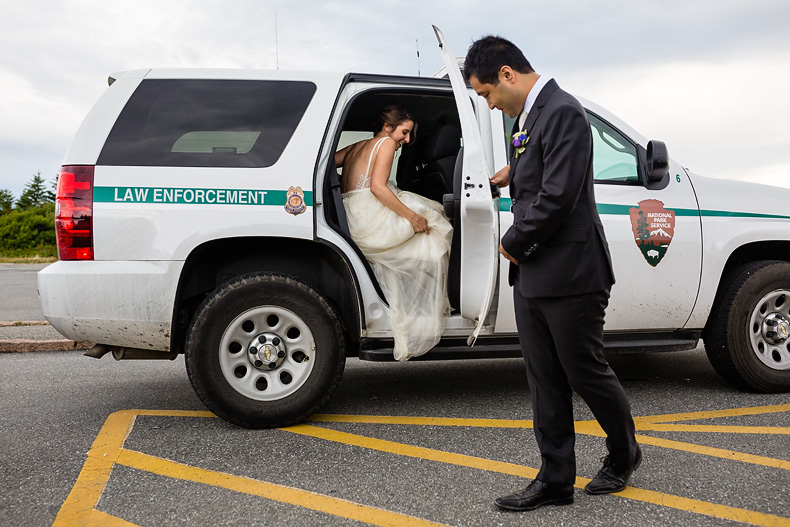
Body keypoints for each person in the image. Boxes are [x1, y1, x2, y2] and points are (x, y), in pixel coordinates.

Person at [463, 36, 641, 511]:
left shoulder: (563, 110)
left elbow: (560, 196)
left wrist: (511, 243)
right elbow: (541, 168)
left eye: (487, 94)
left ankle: (624, 453)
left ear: (507, 74)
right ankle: (556, 479)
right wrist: (510, 172)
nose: (490, 104)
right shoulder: (530, 117)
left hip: (572, 271)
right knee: (544, 378)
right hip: (536, 272)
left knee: (584, 371)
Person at [335, 105, 453, 362]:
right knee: (436, 225)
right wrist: (411, 218)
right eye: (404, 132)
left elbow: (328, 161)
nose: (407, 140)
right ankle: (429, 309)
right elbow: (377, 188)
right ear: (388, 127)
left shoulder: (356, 147)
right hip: (370, 216)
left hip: (353, 215)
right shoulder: (385, 143)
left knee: (427, 215)